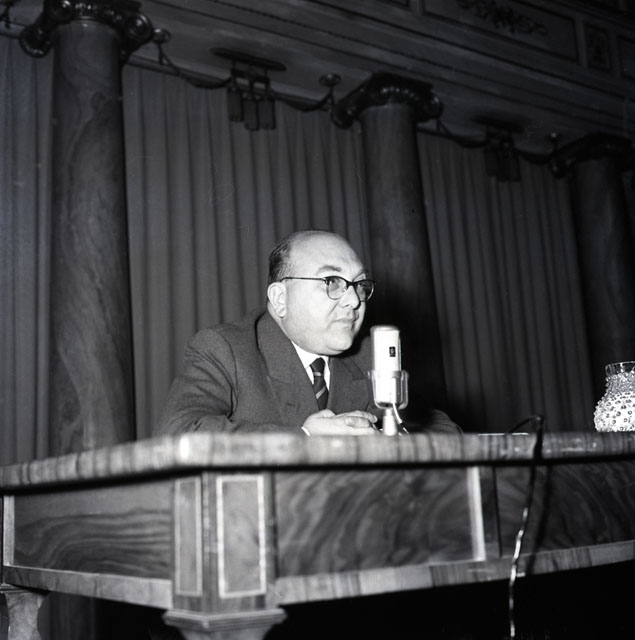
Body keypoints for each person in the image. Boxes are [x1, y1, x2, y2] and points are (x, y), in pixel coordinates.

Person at [156, 229, 459, 436]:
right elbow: (178, 432)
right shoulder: (225, 349)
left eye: (359, 285)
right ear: (280, 299)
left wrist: (384, 440)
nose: (354, 301)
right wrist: (304, 437)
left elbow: (445, 430)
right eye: (332, 282)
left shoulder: (370, 354)